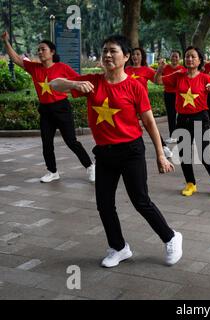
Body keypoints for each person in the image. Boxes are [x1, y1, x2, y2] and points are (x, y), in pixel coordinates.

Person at [49, 35, 182, 268]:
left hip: (131, 151)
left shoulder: (134, 86)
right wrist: (73, 84)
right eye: (105, 51)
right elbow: (53, 84)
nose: (107, 55)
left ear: (126, 56)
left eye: (113, 51)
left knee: (140, 200)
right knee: (104, 203)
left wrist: (161, 154)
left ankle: (171, 237)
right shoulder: (92, 82)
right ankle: (119, 247)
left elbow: (150, 123)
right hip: (104, 153)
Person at [1, 31, 95, 183]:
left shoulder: (62, 68)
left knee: (71, 141)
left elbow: (79, 82)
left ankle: (90, 166)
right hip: (45, 110)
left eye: (43, 49)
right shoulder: (34, 68)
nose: (39, 52)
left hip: (61, 108)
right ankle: (52, 171)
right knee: (47, 143)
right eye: (38, 50)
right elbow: (17, 59)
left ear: (52, 52)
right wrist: (6, 42)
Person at [155, 46, 210, 198]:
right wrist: (160, 69)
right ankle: (190, 183)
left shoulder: (205, 77)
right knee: (184, 153)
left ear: (199, 60)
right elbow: (158, 81)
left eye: (193, 56)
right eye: (187, 56)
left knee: (204, 153)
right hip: (182, 119)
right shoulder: (179, 75)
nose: (189, 59)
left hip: (200, 118)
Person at [125, 47, 173, 158]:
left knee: (150, 126)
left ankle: (163, 148)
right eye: (133, 54)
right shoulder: (126, 70)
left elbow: (158, 81)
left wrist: (160, 70)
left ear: (142, 57)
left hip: (142, 103)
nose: (135, 56)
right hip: (128, 104)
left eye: (138, 54)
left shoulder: (146, 70)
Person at [161, 50, 186, 143]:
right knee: (171, 115)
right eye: (173, 56)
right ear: (170, 57)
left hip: (179, 95)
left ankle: (181, 135)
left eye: (176, 56)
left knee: (180, 115)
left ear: (179, 58)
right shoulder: (165, 68)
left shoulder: (183, 69)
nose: (174, 58)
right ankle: (172, 135)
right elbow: (159, 79)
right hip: (168, 94)